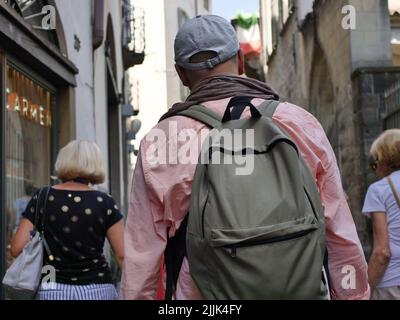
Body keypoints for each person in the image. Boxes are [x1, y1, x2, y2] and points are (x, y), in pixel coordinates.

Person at [120, 15, 370, 300]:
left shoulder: (161, 141)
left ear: (181, 73)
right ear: (240, 60)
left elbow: (141, 257)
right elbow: (338, 229)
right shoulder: (298, 123)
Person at [11, 140, 124, 300]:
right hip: (98, 288)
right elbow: (122, 255)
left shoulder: (42, 197)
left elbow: (16, 248)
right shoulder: (105, 201)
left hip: (52, 288)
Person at [363, 129, 400, 300]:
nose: (375, 169)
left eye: (375, 163)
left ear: (385, 159)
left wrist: (365, 289)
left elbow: (382, 252)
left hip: (392, 282)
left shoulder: (379, 190)